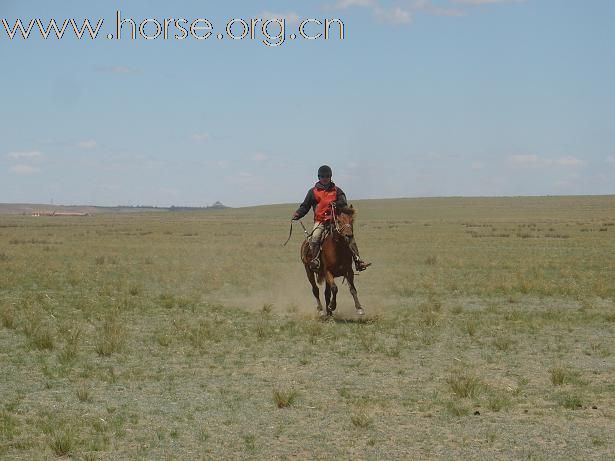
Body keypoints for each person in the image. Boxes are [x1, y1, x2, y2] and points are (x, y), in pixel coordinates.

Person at [292, 165, 371, 272]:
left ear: (331, 176)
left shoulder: (337, 191)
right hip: (320, 221)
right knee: (315, 236)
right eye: (323, 176)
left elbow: (343, 203)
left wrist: (336, 203)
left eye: (327, 176)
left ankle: (357, 261)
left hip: (336, 221)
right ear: (319, 177)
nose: (325, 178)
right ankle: (315, 260)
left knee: (349, 236)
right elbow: (305, 206)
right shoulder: (312, 192)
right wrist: (298, 214)